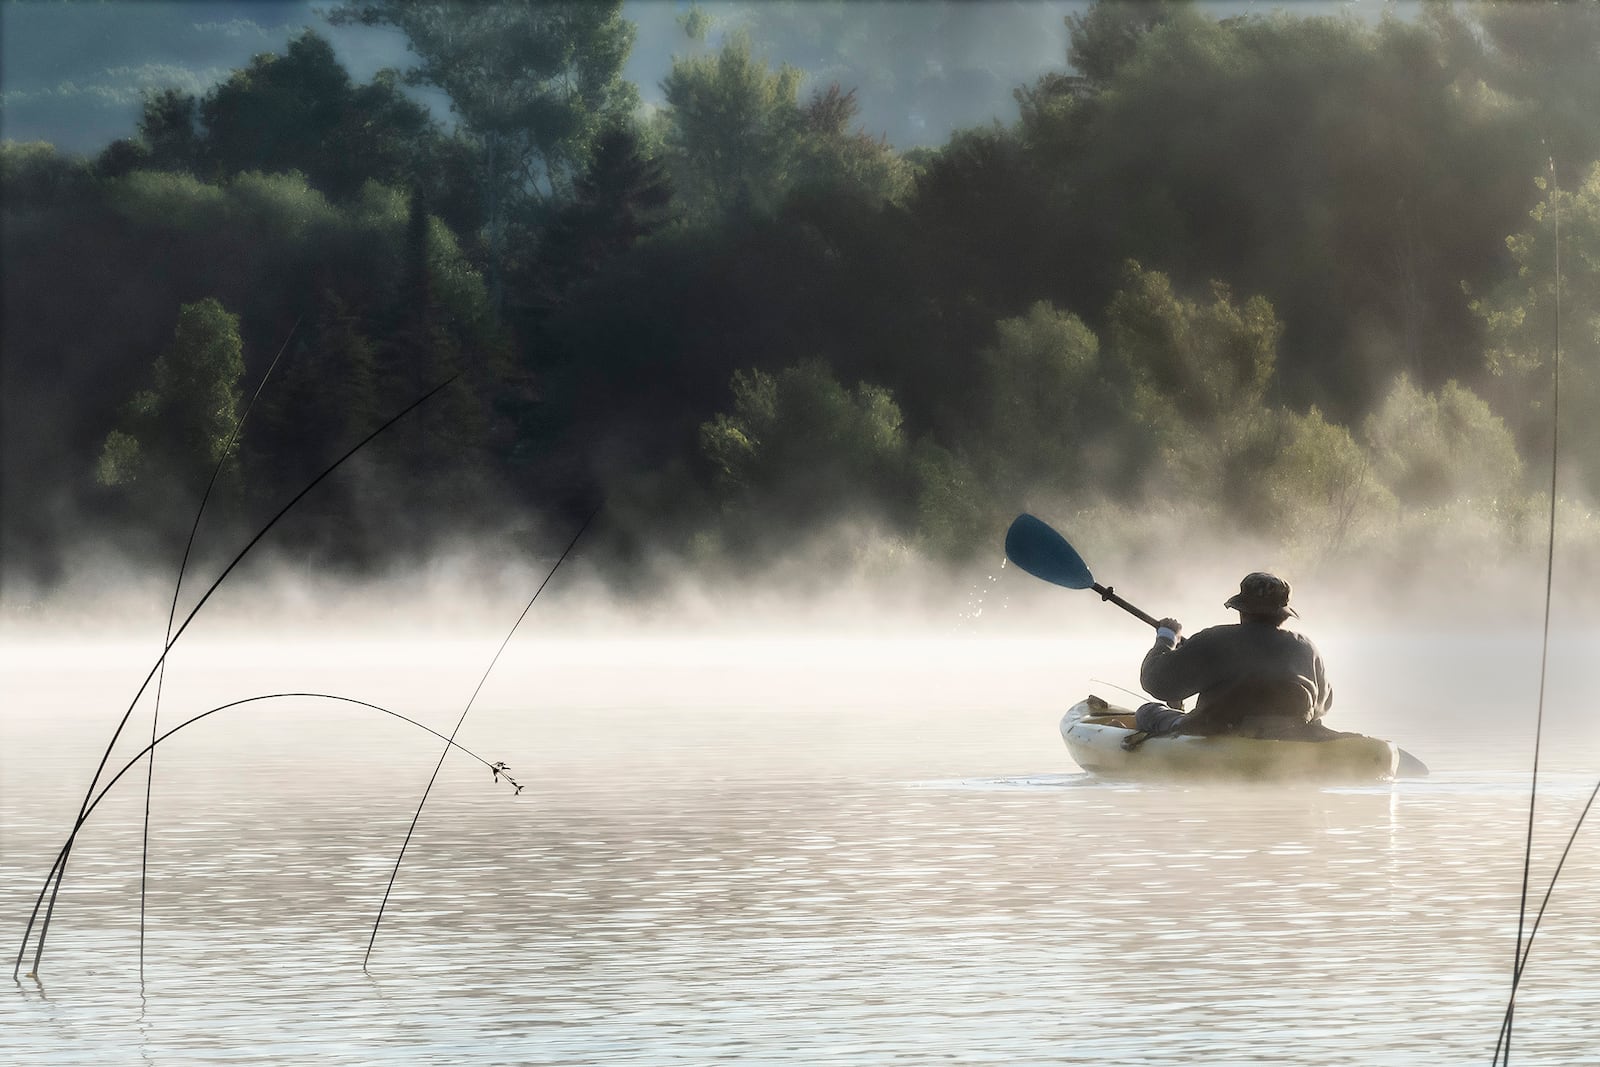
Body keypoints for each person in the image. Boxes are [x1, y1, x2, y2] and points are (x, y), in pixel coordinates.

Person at [1130, 572, 1335, 742]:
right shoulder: (1307, 647)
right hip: (1289, 735)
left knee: (1147, 711)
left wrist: (1166, 638)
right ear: (1283, 614)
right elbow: (1322, 705)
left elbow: (1156, 682)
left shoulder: (1215, 639)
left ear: (1242, 610)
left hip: (1216, 732)